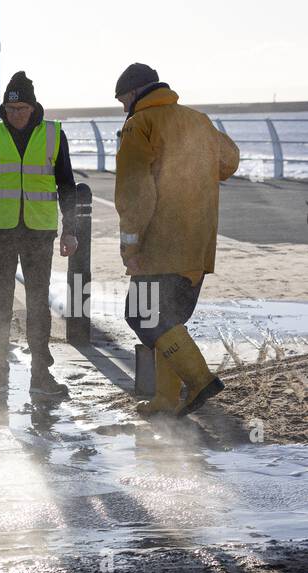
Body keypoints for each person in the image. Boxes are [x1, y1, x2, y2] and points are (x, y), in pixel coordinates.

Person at [113, 63, 240, 417]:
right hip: (198, 245)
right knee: (168, 321)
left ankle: (200, 379)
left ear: (136, 93)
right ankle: (166, 400)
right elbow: (229, 162)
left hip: (158, 244)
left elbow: (134, 193)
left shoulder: (140, 124)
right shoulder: (198, 119)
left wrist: (131, 247)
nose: (124, 108)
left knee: (141, 315)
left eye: (124, 100)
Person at [0, 71, 78, 404]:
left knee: (38, 305)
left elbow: (67, 185)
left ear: (33, 107)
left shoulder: (54, 135)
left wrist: (70, 229)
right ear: (5, 108)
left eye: (22, 109)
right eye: (11, 109)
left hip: (39, 233)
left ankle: (41, 375)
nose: (16, 115)